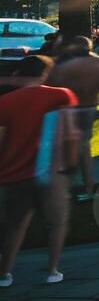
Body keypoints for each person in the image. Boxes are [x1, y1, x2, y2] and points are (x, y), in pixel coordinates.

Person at [0, 56, 78, 286]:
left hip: (13, 173)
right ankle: (52, 270)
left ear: (18, 74)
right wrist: (71, 164)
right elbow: (70, 134)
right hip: (51, 170)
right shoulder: (61, 96)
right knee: (56, 222)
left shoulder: (5, 102)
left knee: (14, 226)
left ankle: (5, 273)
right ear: (46, 73)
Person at [47, 37, 99, 202]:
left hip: (69, 109)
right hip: (89, 107)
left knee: (65, 148)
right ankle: (89, 188)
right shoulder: (98, 65)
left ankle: (67, 188)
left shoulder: (64, 67)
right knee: (85, 149)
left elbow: (52, 87)